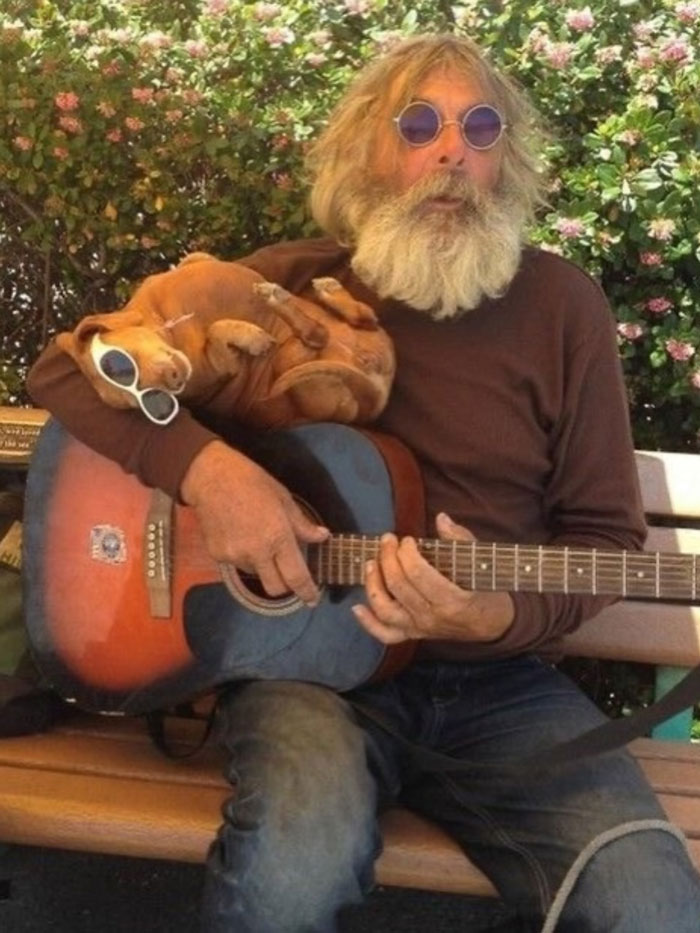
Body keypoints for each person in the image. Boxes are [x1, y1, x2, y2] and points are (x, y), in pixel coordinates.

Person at [27, 33, 700, 933]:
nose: (450, 150)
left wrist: (495, 615)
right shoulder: (290, 284)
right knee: (288, 877)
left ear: (507, 159)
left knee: (648, 901)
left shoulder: (562, 306)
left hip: (497, 688)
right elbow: (65, 373)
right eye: (418, 124)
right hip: (308, 677)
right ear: (367, 152)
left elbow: (607, 539)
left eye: (481, 127)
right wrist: (211, 475)